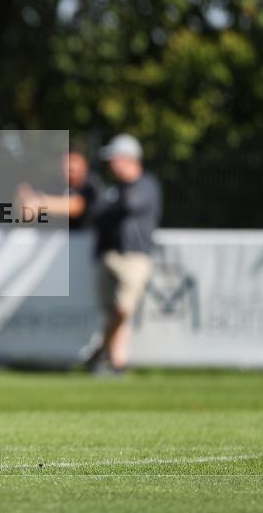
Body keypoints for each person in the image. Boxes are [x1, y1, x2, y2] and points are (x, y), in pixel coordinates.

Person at [89, 134, 160, 375]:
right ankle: (115, 362)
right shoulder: (113, 189)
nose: (111, 165)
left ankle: (100, 352)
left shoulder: (146, 185)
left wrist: (113, 202)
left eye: (115, 159)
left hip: (135, 256)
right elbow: (96, 215)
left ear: (128, 159)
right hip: (110, 255)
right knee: (112, 311)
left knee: (123, 309)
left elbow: (130, 205)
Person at [18, 146, 104, 229]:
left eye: (74, 161)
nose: (69, 166)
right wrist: (26, 200)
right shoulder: (59, 185)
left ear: (85, 164)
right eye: (66, 162)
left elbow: (75, 206)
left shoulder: (91, 184)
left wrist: (40, 203)